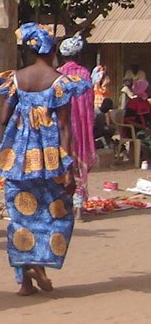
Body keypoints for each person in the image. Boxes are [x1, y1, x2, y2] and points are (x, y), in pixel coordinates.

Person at [0, 22, 90, 296]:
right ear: (53, 49)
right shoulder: (59, 83)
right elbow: (64, 127)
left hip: (18, 160)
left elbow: (3, 119)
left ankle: (25, 282)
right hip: (50, 161)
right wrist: (69, 169)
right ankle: (42, 264)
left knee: (21, 218)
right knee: (56, 215)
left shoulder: (15, 78)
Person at [56, 34, 96, 220]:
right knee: (79, 167)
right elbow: (89, 104)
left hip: (62, 127)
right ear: (78, 56)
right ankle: (79, 208)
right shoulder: (85, 74)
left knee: (63, 165)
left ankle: (64, 206)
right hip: (81, 127)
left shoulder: (58, 74)